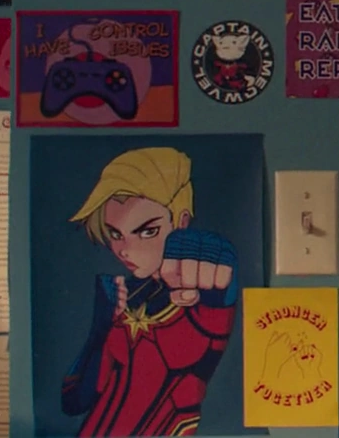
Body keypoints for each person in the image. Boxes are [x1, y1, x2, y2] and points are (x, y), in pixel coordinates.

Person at [61, 147, 239, 437]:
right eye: (115, 234)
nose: (125, 250)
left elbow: (218, 294)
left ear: (180, 221)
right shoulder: (124, 293)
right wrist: (100, 329)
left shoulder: (198, 299)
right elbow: (74, 401)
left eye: (146, 231)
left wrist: (214, 257)